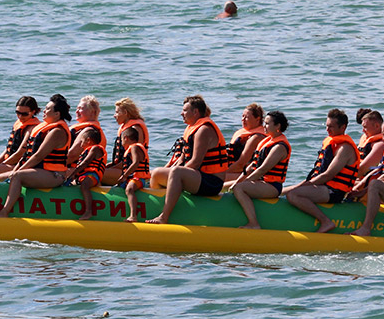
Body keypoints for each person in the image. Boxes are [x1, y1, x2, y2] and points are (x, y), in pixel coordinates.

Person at [146, 95, 230, 225]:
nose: (181, 113)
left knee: (177, 172)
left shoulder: (204, 130)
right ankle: (156, 208)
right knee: (157, 173)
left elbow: (195, 162)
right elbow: (182, 158)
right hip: (197, 177)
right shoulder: (191, 129)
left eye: (185, 110)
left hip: (212, 182)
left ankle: (164, 217)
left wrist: (177, 175)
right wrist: (166, 171)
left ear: (195, 112)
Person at [0, 94, 72, 217]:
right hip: (39, 171)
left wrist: (18, 171)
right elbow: (27, 155)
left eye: (48, 109)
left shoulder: (57, 132)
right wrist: (17, 168)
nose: (44, 111)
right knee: (0, 177)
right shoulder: (44, 129)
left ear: (57, 114)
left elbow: (38, 156)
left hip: (54, 175)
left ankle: (4, 212)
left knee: (17, 176)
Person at [285, 109, 359, 233]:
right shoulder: (332, 144)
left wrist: (305, 185)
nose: (327, 130)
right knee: (283, 190)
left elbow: (328, 174)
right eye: (326, 126)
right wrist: (304, 183)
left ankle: (325, 221)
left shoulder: (345, 148)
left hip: (335, 191)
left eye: (331, 127)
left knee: (293, 194)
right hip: (323, 186)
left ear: (343, 127)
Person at [228, 111, 291, 229]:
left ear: (278, 126)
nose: (264, 126)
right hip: (260, 183)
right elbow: (252, 166)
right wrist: (238, 180)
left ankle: (254, 223)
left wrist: (243, 183)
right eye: (264, 123)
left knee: (239, 189)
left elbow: (262, 169)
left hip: (272, 186)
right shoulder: (266, 141)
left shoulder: (280, 147)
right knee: (227, 185)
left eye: (267, 124)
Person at [63, 127, 107, 220]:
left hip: (92, 175)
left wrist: (72, 174)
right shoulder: (86, 151)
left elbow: (85, 163)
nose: (81, 145)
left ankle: (88, 212)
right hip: (84, 176)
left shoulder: (95, 149)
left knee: (84, 186)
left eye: (81, 141)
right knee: (71, 186)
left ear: (88, 140)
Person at [104, 98, 149, 185]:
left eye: (117, 112)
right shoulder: (125, 128)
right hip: (122, 169)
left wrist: (108, 169)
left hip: (131, 172)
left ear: (125, 112)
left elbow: (132, 159)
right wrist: (108, 166)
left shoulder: (135, 129)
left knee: (97, 173)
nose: (114, 115)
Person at [0, 96, 40, 174]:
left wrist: (1, 165)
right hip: (10, 163)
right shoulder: (19, 124)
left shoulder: (32, 128)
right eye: (18, 113)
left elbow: (20, 153)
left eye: (25, 114)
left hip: (20, 166)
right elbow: (8, 149)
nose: (20, 116)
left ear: (33, 112)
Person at [224, 103, 266, 181]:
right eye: (242, 116)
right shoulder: (242, 133)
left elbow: (241, 165)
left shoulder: (256, 138)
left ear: (257, 119)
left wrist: (221, 172)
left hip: (248, 175)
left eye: (246, 117)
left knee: (213, 178)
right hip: (236, 171)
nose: (243, 119)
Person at [354, 108, 384, 177]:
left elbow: (362, 169)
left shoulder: (381, 144)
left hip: (369, 181)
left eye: (365, 127)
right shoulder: (365, 138)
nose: (363, 130)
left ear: (377, 126)